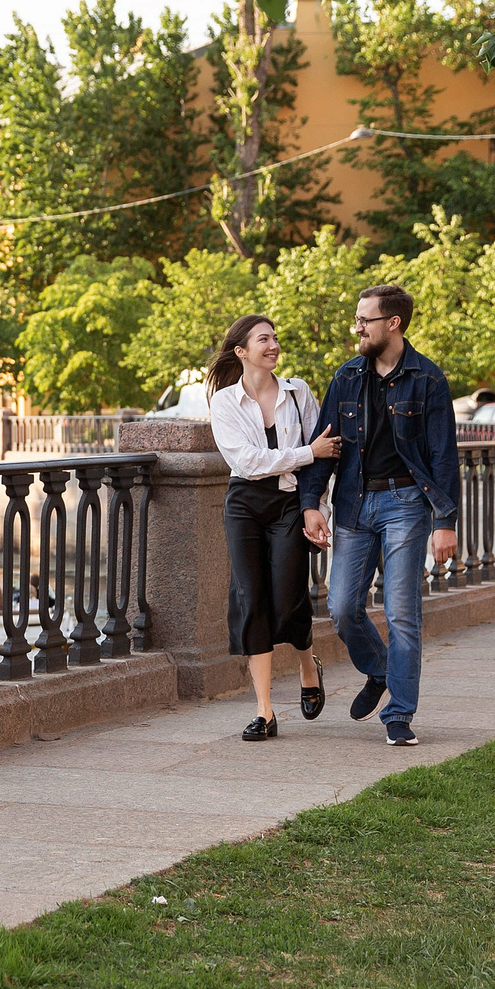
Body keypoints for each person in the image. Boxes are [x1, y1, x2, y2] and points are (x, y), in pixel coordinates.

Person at [297, 283, 460, 746]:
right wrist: (311, 503)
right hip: (353, 503)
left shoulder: (427, 379)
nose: (357, 327)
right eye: (357, 318)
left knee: (401, 612)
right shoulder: (347, 377)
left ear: (393, 323)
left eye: (364, 320)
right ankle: (381, 670)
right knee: (342, 606)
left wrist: (445, 523)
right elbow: (326, 447)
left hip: (406, 504)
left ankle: (399, 715)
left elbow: (443, 455)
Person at [208, 314, 343, 740]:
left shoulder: (298, 392)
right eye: (263, 339)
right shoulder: (225, 403)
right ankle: (265, 711)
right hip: (245, 504)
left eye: (275, 338)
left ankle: (307, 664)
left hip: (289, 503)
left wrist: (315, 507)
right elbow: (246, 462)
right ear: (241, 351)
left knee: (287, 596)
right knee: (250, 599)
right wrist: (306, 452)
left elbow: (327, 456)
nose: (273, 344)